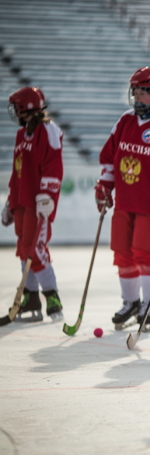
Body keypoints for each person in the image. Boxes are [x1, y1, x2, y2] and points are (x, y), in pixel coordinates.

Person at [96, 66, 150, 332]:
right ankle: (131, 302)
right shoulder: (125, 120)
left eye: (144, 93)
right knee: (123, 253)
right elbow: (110, 156)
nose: (138, 98)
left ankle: (149, 306)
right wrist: (104, 185)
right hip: (124, 202)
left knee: (146, 255)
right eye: (136, 93)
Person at [2, 86, 64, 322]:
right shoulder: (21, 135)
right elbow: (18, 171)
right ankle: (30, 299)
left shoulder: (48, 130)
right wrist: (10, 201)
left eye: (17, 108)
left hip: (39, 202)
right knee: (23, 249)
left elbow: (54, 164)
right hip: (21, 200)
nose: (15, 113)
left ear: (26, 107)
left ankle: (53, 298)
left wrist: (47, 195)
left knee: (35, 250)